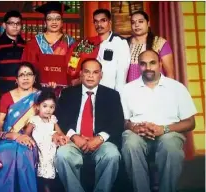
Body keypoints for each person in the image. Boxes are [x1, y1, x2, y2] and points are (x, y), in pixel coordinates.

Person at [120, 50, 197, 192]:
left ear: (160, 64)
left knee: (170, 145)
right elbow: (124, 121)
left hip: (169, 132)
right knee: (130, 142)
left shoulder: (177, 88)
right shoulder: (128, 89)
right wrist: (134, 127)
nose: (148, 67)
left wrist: (164, 129)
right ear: (138, 66)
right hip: (138, 133)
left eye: (152, 63)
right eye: (143, 64)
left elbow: (191, 122)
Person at [55, 58, 124, 192]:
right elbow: (61, 119)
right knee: (62, 154)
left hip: (101, 142)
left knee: (112, 154)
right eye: (87, 72)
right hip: (74, 141)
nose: (91, 76)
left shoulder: (112, 95)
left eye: (95, 72)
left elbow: (117, 122)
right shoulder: (68, 93)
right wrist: (74, 136)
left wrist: (99, 138)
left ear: (101, 75)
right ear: (80, 74)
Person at [0, 62, 41, 192]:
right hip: (9, 137)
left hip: (32, 138)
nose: (26, 78)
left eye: (29, 74)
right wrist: (13, 136)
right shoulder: (7, 97)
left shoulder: (41, 96)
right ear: (16, 80)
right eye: (22, 75)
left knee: (25, 152)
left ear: (34, 78)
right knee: (6, 152)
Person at [67, 9, 130, 92]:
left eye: (103, 20)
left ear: (109, 22)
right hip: (88, 91)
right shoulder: (88, 43)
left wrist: (118, 97)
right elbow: (75, 63)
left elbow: (121, 75)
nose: (99, 24)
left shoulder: (120, 42)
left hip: (108, 91)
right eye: (96, 21)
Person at [22, 1, 75, 88]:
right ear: (45, 23)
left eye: (57, 19)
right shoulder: (34, 43)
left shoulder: (70, 42)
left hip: (65, 90)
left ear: (62, 22)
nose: (54, 22)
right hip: (40, 89)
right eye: (50, 19)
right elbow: (27, 68)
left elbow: (74, 68)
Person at [24, 90, 69, 192]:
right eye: (45, 106)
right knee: (42, 171)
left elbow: (60, 133)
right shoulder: (34, 120)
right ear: (37, 107)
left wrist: (63, 137)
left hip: (52, 147)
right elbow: (26, 135)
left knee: (53, 166)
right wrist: (30, 141)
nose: (48, 110)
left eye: (51, 107)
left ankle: (51, 187)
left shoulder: (53, 119)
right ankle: (45, 188)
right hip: (40, 148)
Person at [127, 10, 174, 82]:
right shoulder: (125, 44)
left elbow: (170, 73)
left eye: (140, 21)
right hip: (131, 89)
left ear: (148, 23)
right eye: (133, 22)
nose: (136, 25)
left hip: (155, 89)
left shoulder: (160, 43)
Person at [0, 10, 26, 96]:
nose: (15, 26)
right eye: (11, 23)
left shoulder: (25, 45)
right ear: (4, 25)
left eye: (18, 23)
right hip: (0, 92)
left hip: (22, 93)